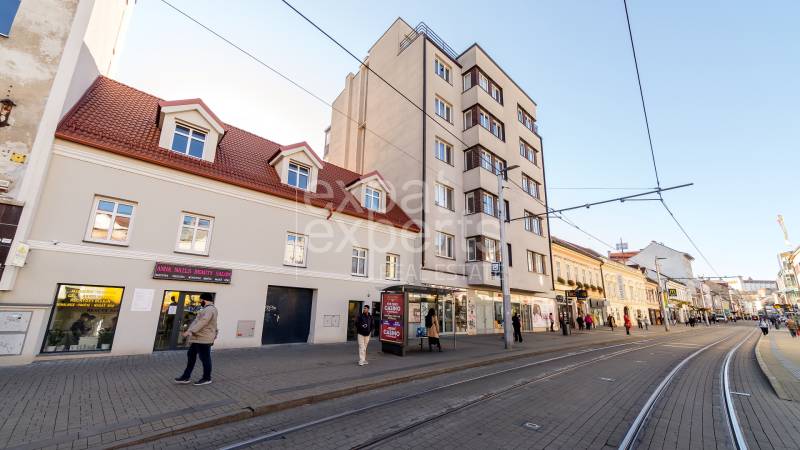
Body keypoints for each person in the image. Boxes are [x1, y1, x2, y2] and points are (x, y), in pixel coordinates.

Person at [175, 293, 218, 385]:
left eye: (200, 300)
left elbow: (203, 322)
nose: (200, 302)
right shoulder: (206, 309)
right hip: (197, 338)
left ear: (204, 300)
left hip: (204, 338)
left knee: (205, 358)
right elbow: (196, 321)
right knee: (191, 355)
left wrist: (190, 331)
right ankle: (185, 377)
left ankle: (207, 378)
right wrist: (190, 330)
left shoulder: (210, 309)